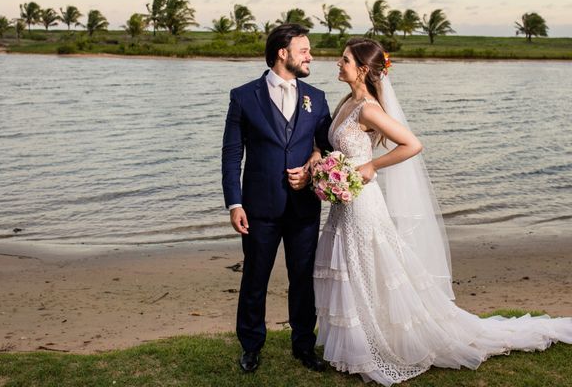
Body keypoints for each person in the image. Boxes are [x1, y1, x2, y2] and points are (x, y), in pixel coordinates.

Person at [313, 38, 572, 386]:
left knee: (367, 266)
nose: (337, 63)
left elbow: (412, 144)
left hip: (363, 204)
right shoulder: (348, 100)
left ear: (361, 69)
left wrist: (371, 166)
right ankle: (358, 345)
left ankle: (374, 346)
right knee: (352, 267)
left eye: (343, 60)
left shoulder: (369, 109)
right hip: (345, 203)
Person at [222, 24, 332, 372]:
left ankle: (303, 345)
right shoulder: (243, 96)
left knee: (303, 278)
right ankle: (251, 345)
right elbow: (231, 154)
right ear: (282, 53)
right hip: (258, 209)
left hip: (303, 208)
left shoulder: (317, 96)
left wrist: (312, 167)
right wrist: (234, 203)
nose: (310, 56)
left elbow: (326, 146)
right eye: (304, 50)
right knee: (255, 277)